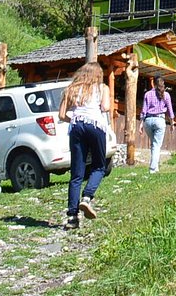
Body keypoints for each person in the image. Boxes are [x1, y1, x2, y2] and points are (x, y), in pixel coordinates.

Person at [57, 61, 112, 230]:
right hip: (95, 125)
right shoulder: (102, 88)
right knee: (99, 167)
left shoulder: (71, 88)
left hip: (76, 126)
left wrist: (74, 119)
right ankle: (87, 198)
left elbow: (61, 114)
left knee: (76, 174)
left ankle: (72, 217)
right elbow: (106, 107)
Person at [139, 76, 174, 174]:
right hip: (159, 120)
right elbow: (170, 110)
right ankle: (153, 168)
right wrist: (172, 123)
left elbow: (144, 110)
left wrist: (141, 123)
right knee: (156, 145)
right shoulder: (166, 95)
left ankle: (156, 167)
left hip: (148, 121)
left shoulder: (147, 94)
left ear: (153, 83)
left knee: (154, 144)